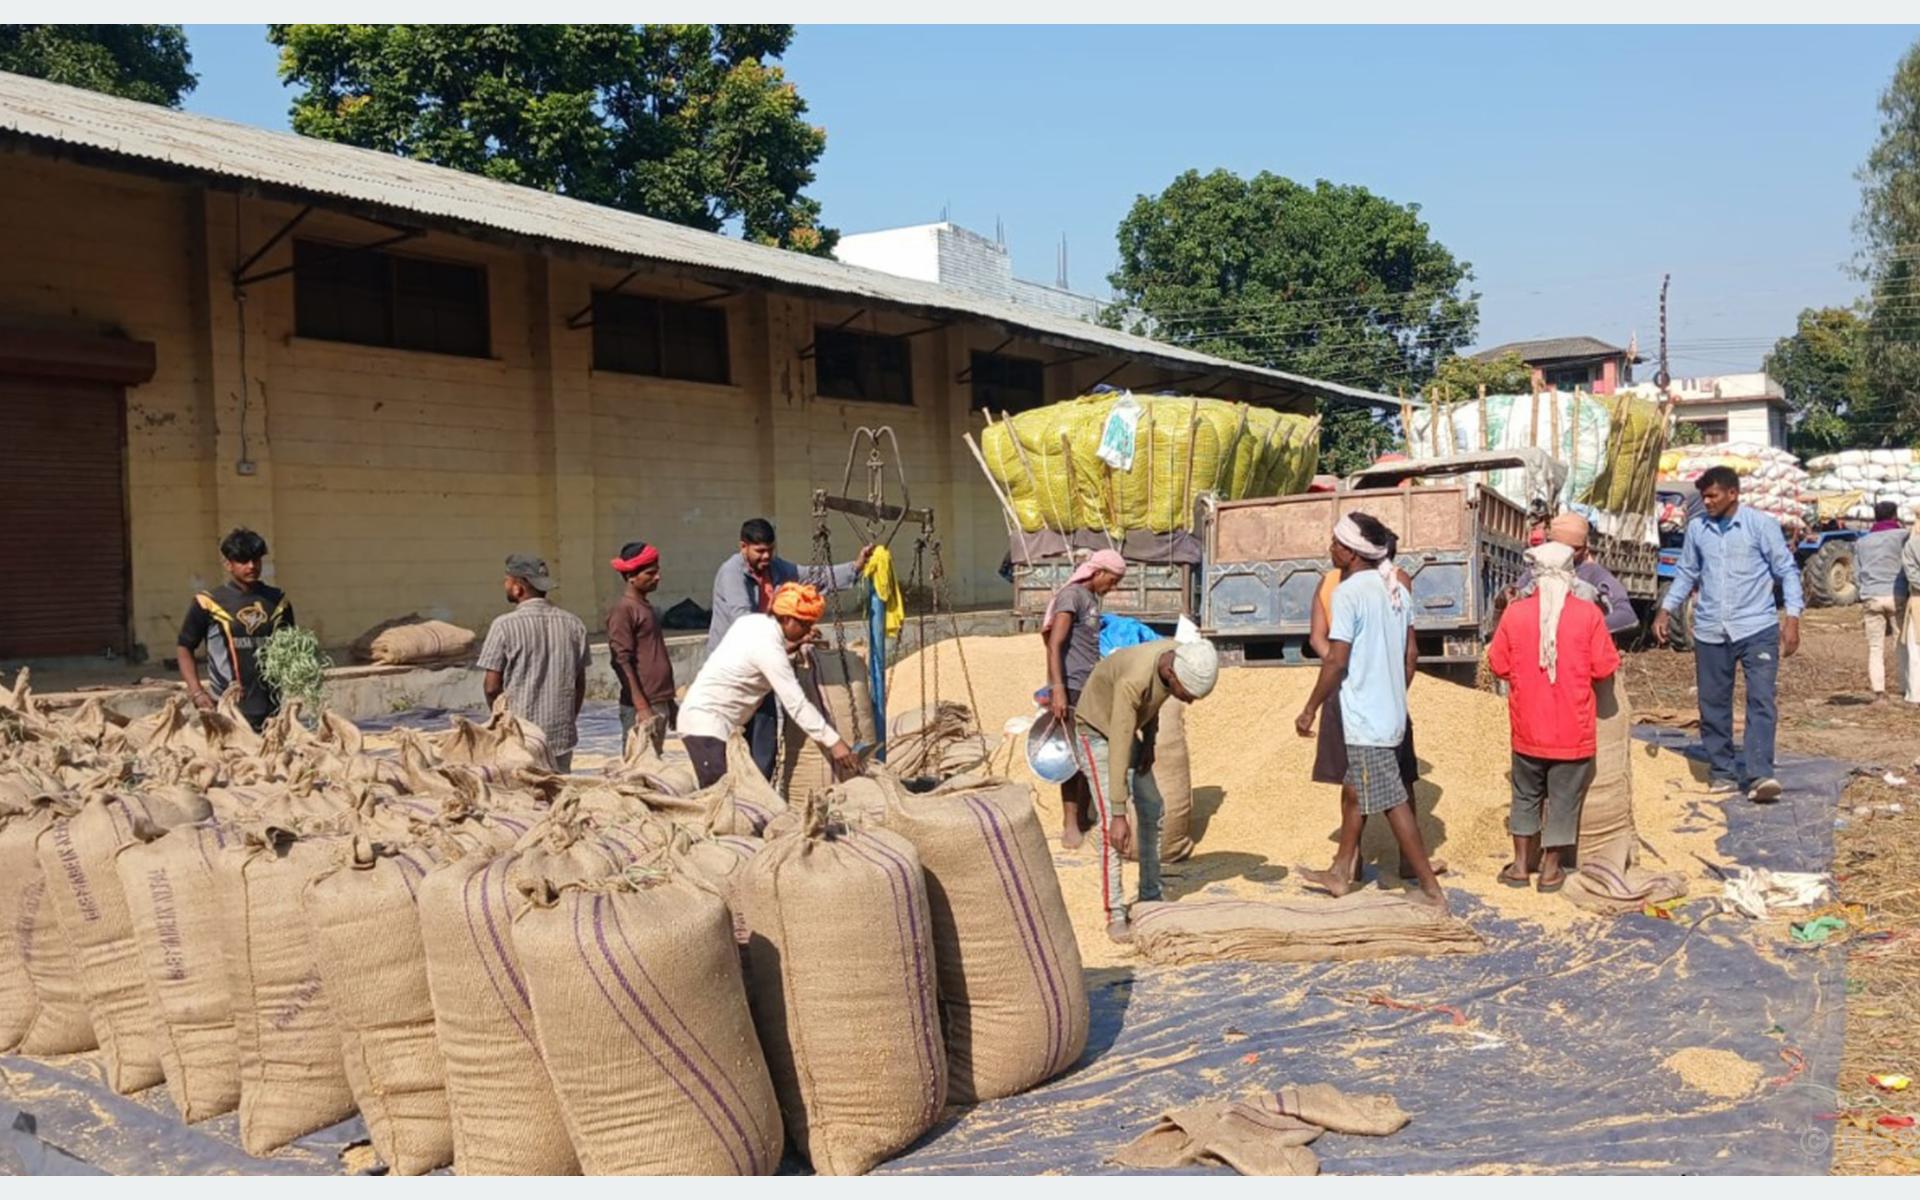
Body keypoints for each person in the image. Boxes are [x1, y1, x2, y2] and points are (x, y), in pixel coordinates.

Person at [1294, 513, 1448, 913]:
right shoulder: (1396, 589)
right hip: (1390, 712)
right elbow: (1411, 655)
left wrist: (1310, 708)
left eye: (1335, 543)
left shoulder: (1348, 593)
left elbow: (1336, 658)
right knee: (1356, 790)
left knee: (1392, 801)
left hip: (1365, 717)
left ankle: (1431, 890)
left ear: (1351, 552)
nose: (1330, 549)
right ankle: (1340, 871)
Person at [1653, 466, 1804, 802]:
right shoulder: (1698, 529)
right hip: (1710, 629)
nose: (1706, 502)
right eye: (1703, 496)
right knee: (1713, 703)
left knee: (1761, 699)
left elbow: (1786, 571)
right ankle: (1722, 770)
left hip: (1757, 627)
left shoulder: (1760, 526)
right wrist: (1666, 609)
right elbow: (1687, 572)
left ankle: (1760, 774)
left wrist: (1792, 618)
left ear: (1732, 494)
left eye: (1712, 496)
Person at [1487, 542, 1621, 892]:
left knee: (1525, 795)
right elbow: (1604, 667)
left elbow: (1498, 664)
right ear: (1570, 574)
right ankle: (1550, 870)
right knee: (1563, 800)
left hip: (1527, 727)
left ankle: (1519, 866)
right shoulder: (1588, 615)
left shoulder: (1515, 614)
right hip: (1572, 729)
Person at [1072, 634, 1219, 943]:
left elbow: (1155, 703)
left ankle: (1150, 895)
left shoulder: (1177, 655)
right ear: (1171, 673)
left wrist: (1149, 744)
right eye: (1187, 694)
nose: (1189, 701)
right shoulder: (1133, 681)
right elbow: (1118, 744)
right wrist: (1118, 813)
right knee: (1112, 829)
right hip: (1097, 732)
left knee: (1153, 808)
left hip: (1127, 731)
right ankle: (1114, 913)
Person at [709, 518, 872, 780]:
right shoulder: (732, 574)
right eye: (759, 551)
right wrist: (790, 636)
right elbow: (744, 620)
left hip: (762, 667)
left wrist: (856, 567)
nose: (766, 556)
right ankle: (730, 792)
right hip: (734, 671)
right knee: (730, 743)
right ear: (743, 547)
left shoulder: (774, 568)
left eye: (770, 550)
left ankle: (760, 793)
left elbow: (812, 577)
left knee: (764, 744)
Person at [680, 582, 859, 788]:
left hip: (709, 722)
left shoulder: (752, 623)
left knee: (734, 794)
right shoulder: (769, 648)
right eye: (804, 624)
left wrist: (796, 644)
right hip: (706, 726)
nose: (808, 630)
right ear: (787, 619)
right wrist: (835, 743)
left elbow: (759, 657)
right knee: (718, 796)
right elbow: (797, 705)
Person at [1040, 548, 1128, 848]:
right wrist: (1058, 688)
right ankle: (1069, 824)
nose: (1112, 588)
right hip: (1071, 686)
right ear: (1098, 572)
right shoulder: (1072, 596)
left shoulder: (1090, 599)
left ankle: (1084, 817)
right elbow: (1055, 644)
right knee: (1071, 756)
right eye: (1112, 581)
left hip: (1090, 686)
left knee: (1090, 752)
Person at [476, 553, 590, 773]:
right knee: (559, 790)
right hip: (560, 737)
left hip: (520, 737)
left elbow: (491, 687)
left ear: (518, 588)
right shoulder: (574, 624)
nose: (504, 585)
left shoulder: (503, 626)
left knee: (524, 792)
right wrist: (567, 720)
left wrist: (500, 722)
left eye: (507, 581)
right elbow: (579, 684)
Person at [175, 527, 296, 732]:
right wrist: (197, 692)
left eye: (256, 560)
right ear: (228, 564)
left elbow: (290, 650)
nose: (251, 566)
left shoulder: (278, 601)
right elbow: (184, 647)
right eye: (243, 560)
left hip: (272, 711)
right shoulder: (208, 602)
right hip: (227, 710)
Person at [1502, 512, 1639, 636]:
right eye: (1560, 549)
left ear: (1585, 548)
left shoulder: (1595, 575)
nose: (1566, 555)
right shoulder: (1537, 571)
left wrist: (1584, 630)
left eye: (1573, 550)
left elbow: (1626, 616)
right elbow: (1513, 603)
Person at [607, 540, 676, 754]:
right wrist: (642, 707)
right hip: (642, 706)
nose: (657, 577)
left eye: (657, 571)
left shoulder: (646, 608)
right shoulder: (624, 610)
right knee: (638, 765)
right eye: (650, 573)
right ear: (631, 576)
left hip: (658, 700)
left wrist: (669, 702)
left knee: (655, 760)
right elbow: (621, 661)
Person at [1853, 502, 1910, 703]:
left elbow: (1856, 574)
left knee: (1875, 647)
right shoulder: (1903, 536)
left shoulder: (1862, 542)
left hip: (1871, 596)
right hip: (1897, 594)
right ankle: (1905, 689)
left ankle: (1879, 693)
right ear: (1895, 516)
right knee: (1901, 644)